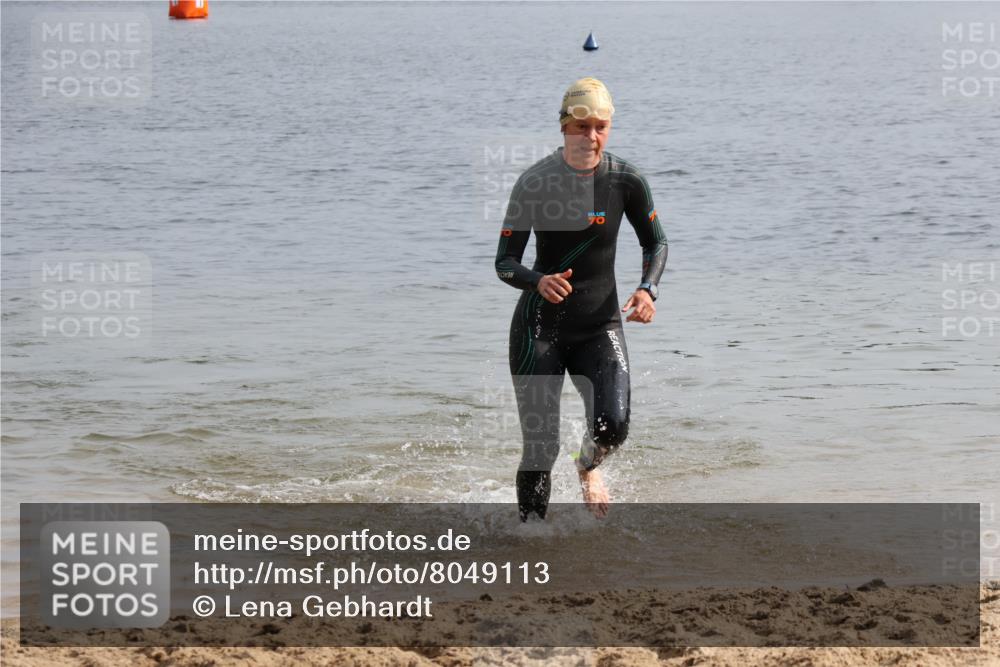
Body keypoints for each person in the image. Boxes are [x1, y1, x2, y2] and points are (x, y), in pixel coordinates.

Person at [494, 77, 668, 521]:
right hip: (540, 328)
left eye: (600, 126)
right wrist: (537, 281)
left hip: (599, 325)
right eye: (581, 125)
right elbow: (504, 262)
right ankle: (530, 537)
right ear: (563, 127)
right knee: (540, 446)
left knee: (613, 427)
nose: (591, 136)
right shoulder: (534, 182)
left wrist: (648, 288)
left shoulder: (625, 181)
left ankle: (587, 467)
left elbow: (657, 243)